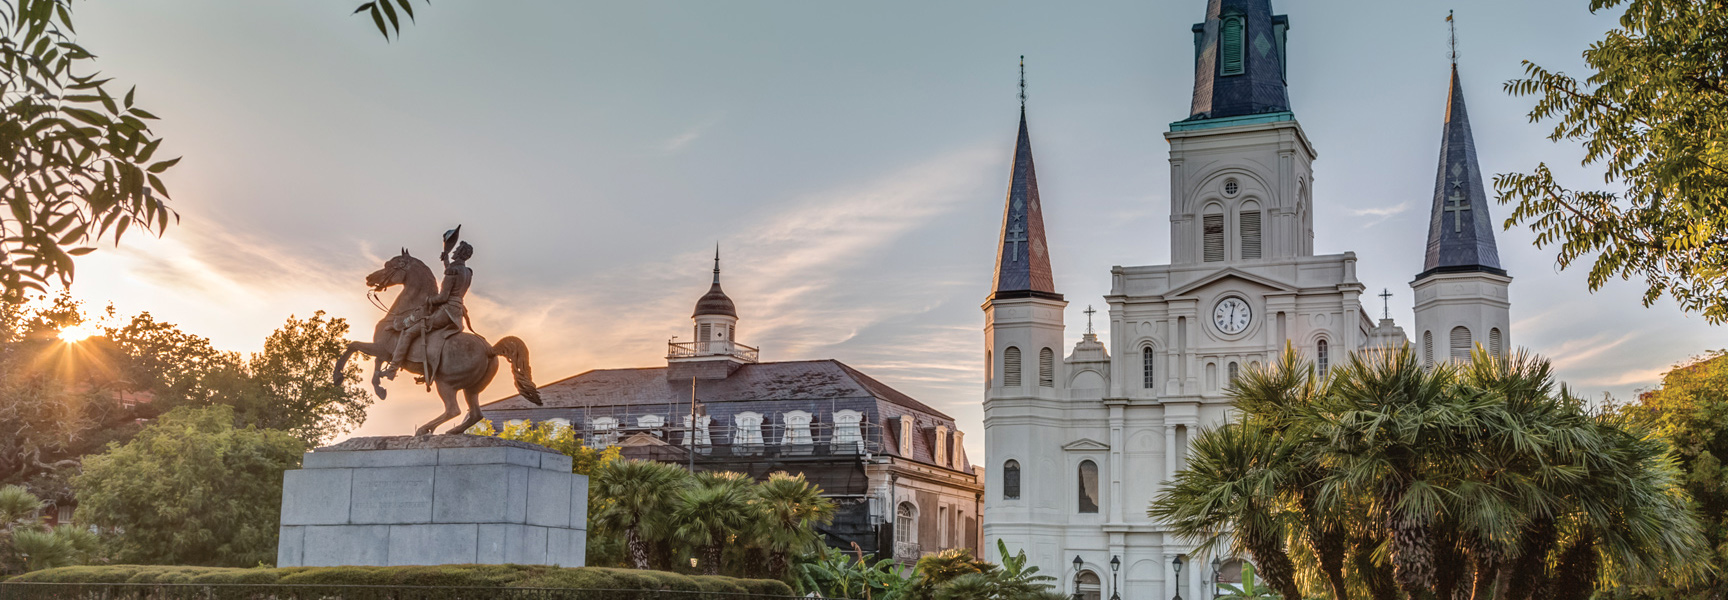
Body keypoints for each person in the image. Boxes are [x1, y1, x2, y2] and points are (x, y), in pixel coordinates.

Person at [385, 237, 472, 380]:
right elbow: (454, 276)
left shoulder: (452, 270)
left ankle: (392, 369)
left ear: (459, 253)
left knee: (409, 332)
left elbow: (443, 297)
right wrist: (446, 262)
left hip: (446, 311)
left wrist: (428, 300)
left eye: (456, 250)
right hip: (458, 311)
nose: (454, 252)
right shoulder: (468, 271)